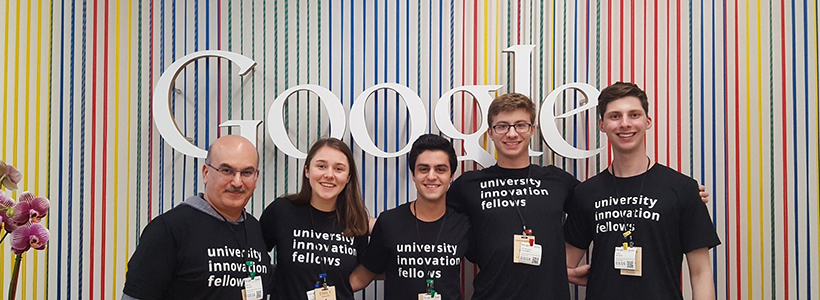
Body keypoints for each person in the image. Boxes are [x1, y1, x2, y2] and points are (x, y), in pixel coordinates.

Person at [563, 82, 720, 299]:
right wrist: (574, 274)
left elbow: (701, 273)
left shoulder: (682, 189)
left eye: (634, 115)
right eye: (615, 116)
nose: (625, 124)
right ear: (602, 124)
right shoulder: (587, 192)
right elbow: (564, 265)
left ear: (647, 122)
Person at [445, 93, 580, 299]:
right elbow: (437, 222)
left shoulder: (557, 181)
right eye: (502, 126)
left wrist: (568, 258)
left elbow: (591, 213)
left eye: (520, 125)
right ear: (490, 133)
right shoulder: (468, 185)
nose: (511, 133)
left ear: (532, 130)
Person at [122, 135, 273, 300]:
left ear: (256, 177)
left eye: (246, 172)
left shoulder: (254, 228)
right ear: (206, 173)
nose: (237, 182)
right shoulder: (170, 229)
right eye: (227, 171)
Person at [349, 134, 471, 300]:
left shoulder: (464, 223)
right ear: (413, 175)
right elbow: (362, 277)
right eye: (423, 169)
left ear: (451, 176)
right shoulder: (389, 222)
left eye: (440, 169)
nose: (431, 176)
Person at [259, 137, 370, 300]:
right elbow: (255, 257)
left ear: (348, 178)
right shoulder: (282, 210)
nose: (329, 175)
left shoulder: (355, 220)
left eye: (339, 169)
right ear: (307, 170)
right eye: (321, 166)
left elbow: (366, 269)